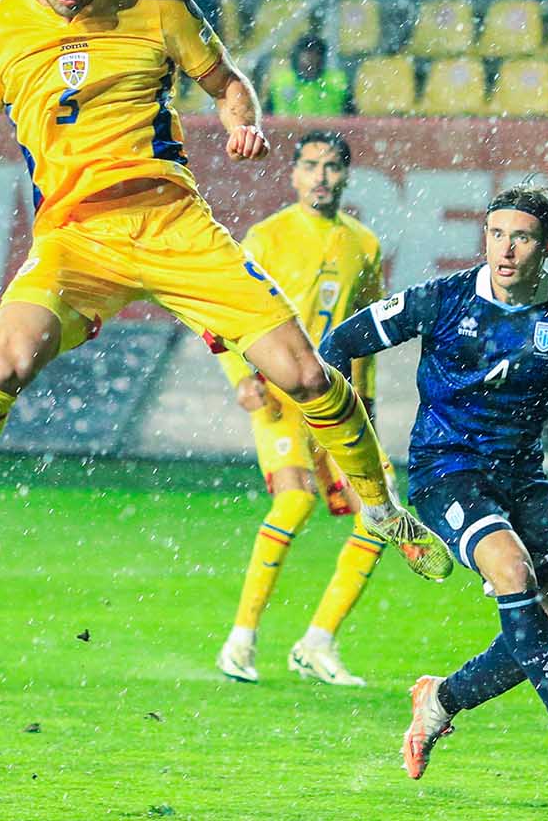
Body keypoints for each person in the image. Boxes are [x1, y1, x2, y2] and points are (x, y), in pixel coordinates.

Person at [0, 0, 452, 603]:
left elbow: (227, 81)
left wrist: (241, 120)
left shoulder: (154, 2)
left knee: (304, 375)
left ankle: (383, 511)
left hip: (175, 223)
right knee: (6, 363)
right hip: (75, 236)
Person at [317, 182, 548, 791]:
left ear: (547, 245)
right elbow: (337, 346)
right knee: (513, 573)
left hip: (523, 477)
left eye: (520, 237)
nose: (504, 249)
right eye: (496, 234)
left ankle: (442, 700)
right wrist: (340, 434)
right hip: (447, 469)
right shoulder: (442, 299)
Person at [209, 131, 392, 687]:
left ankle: (318, 642)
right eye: (310, 166)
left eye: (332, 167)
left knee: (381, 512)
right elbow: (222, 313)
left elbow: (366, 333)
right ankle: (240, 641)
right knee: (294, 502)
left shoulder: (364, 245)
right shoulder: (266, 238)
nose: (321, 177)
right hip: (280, 396)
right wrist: (241, 376)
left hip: (337, 402)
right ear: (292, 174)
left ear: (346, 176)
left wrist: (370, 404)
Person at [267, 36, 350, 116]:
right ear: (296, 58)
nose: (312, 60)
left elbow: (352, 120)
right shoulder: (280, 82)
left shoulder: (338, 83)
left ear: (322, 59)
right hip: (284, 130)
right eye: (307, 54)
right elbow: (266, 117)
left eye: (316, 55)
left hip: (330, 130)